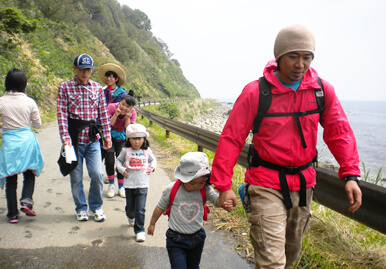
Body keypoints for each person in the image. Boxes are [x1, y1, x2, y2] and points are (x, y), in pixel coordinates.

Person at [210, 24, 362, 268]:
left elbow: (339, 131)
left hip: (303, 186)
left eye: (307, 57)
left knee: (289, 256)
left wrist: (351, 174)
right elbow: (232, 138)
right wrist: (223, 185)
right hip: (264, 184)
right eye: (293, 56)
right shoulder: (256, 92)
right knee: (272, 262)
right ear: (279, 57)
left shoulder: (322, 91)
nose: (300, 64)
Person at [147, 152, 233, 269]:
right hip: (176, 239)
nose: (197, 186)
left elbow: (216, 200)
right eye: (192, 183)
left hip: (197, 238)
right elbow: (160, 207)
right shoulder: (172, 189)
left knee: (194, 266)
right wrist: (152, 223)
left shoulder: (205, 189)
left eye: (201, 182)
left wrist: (224, 203)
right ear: (182, 179)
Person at [57, 54, 112, 222]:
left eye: (88, 69)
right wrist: (65, 137)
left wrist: (107, 136)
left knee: (96, 174)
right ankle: (81, 208)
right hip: (73, 141)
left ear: (92, 70)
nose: (85, 72)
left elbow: (102, 114)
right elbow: (61, 115)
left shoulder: (97, 89)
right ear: (75, 69)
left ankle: (96, 206)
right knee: (76, 178)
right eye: (82, 69)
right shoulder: (64, 87)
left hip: (93, 140)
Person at [0, 68, 44, 223]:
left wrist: (4, 124)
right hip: (27, 141)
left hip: (9, 143)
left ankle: (12, 214)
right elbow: (38, 124)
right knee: (29, 174)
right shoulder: (29, 102)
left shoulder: (1, 101)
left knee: (11, 179)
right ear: (23, 84)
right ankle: (26, 201)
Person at [116, 123, 157, 242]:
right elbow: (118, 161)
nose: (137, 142)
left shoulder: (147, 151)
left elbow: (153, 160)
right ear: (129, 139)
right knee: (130, 208)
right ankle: (130, 215)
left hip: (143, 184)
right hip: (129, 185)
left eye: (139, 138)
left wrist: (152, 167)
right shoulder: (125, 150)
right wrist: (122, 170)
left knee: (140, 209)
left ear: (144, 139)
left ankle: (139, 230)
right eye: (134, 138)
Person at [104, 95, 137, 198]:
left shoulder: (132, 113)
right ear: (119, 103)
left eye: (128, 106)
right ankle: (111, 185)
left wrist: (127, 117)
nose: (124, 108)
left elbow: (129, 130)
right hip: (109, 136)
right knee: (109, 160)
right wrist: (116, 114)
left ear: (131, 108)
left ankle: (121, 186)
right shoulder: (111, 107)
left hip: (122, 137)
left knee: (122, 161)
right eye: (123, 104)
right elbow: (108, 124)